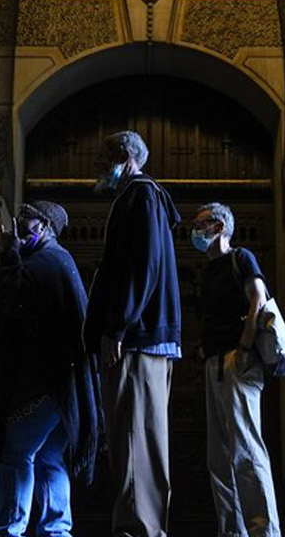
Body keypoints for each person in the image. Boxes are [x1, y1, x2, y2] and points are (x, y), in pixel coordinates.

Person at [0, 200, 100, 537]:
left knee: (15, 454)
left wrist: (8, 252)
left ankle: (9, 530)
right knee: (47, 459)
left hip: (43, 385)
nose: (17, 225)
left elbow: (12, 296)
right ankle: (57, 530)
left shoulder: (47, 263)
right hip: (59, 386)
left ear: (43, 226)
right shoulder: (56, 261)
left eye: (25, 219)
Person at [82, 130, 181, 537]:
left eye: (103, 161)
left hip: (137, 339)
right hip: (144, 337)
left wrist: (118, 323)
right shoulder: (142, 197)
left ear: (124, 156)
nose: (99, 171)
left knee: (135, 442)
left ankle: (139, 531)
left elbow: (142, 266)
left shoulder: (140, 195)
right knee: (136, 441)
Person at [191, 202, 281, 537]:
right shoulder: (209, 268)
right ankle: (232, 531)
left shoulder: (240, 258)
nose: (194, 229)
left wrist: (243, 349)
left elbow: (257, 300)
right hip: (214, 362)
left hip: (237, 361)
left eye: (200, 223)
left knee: (247, 452)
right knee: (219, 459)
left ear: (218, 226)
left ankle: (264, 532)